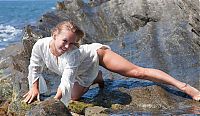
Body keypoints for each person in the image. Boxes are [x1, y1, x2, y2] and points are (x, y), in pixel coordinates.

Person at [23, 21, 200, 106]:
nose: (67, 46)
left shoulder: (73, 53)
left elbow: (66, 82)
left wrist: (53, 103)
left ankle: (184, 87)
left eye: (72, 43)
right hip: (83, 72)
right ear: (54, 35)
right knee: (75, 97)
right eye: (64, 41)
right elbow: (34, 67)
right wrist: (34, 88)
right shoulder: (40, 45)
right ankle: (96, 77)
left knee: (138, 72)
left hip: (96, 55)